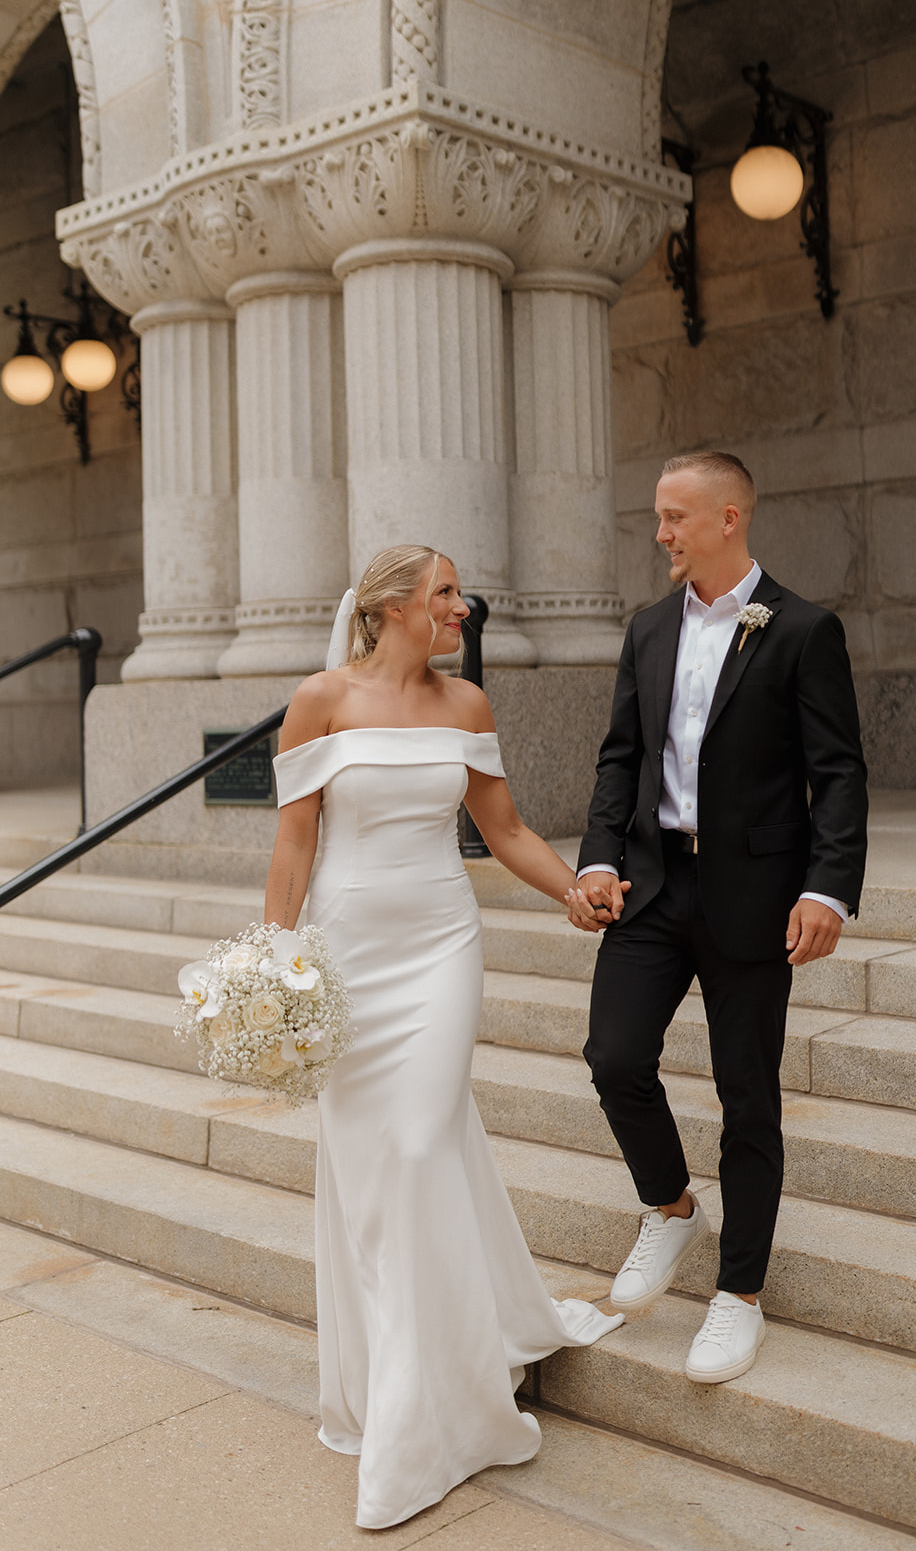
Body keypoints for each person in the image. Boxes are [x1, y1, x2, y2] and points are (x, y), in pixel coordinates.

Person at [264, 544, 621, 1531]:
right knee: (375, 1178)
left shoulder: (466, 706)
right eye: (446, 593)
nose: (462, 607)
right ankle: (409, 1379)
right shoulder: (319, 700)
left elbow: (502, 830)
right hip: (343, 955)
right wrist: (273, 965)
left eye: (459, 593)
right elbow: (294, 841)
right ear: (389, 609)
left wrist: (575, 889)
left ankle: (430, 1421)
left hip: (437, 949)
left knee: (419, 1146)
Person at [569, 451, 867, 1385]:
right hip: (654, 889)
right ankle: (670, 1208)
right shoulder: (647, 628)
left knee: (748, 1097)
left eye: (674, 517)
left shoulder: (801, 628)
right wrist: (598, 857)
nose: (660, 532)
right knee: (614, 1057)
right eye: (660, 517)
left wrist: (826, 887)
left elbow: (839, 771)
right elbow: (622, 758)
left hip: (755, 898)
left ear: (728, 517)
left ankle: (738, 1296)